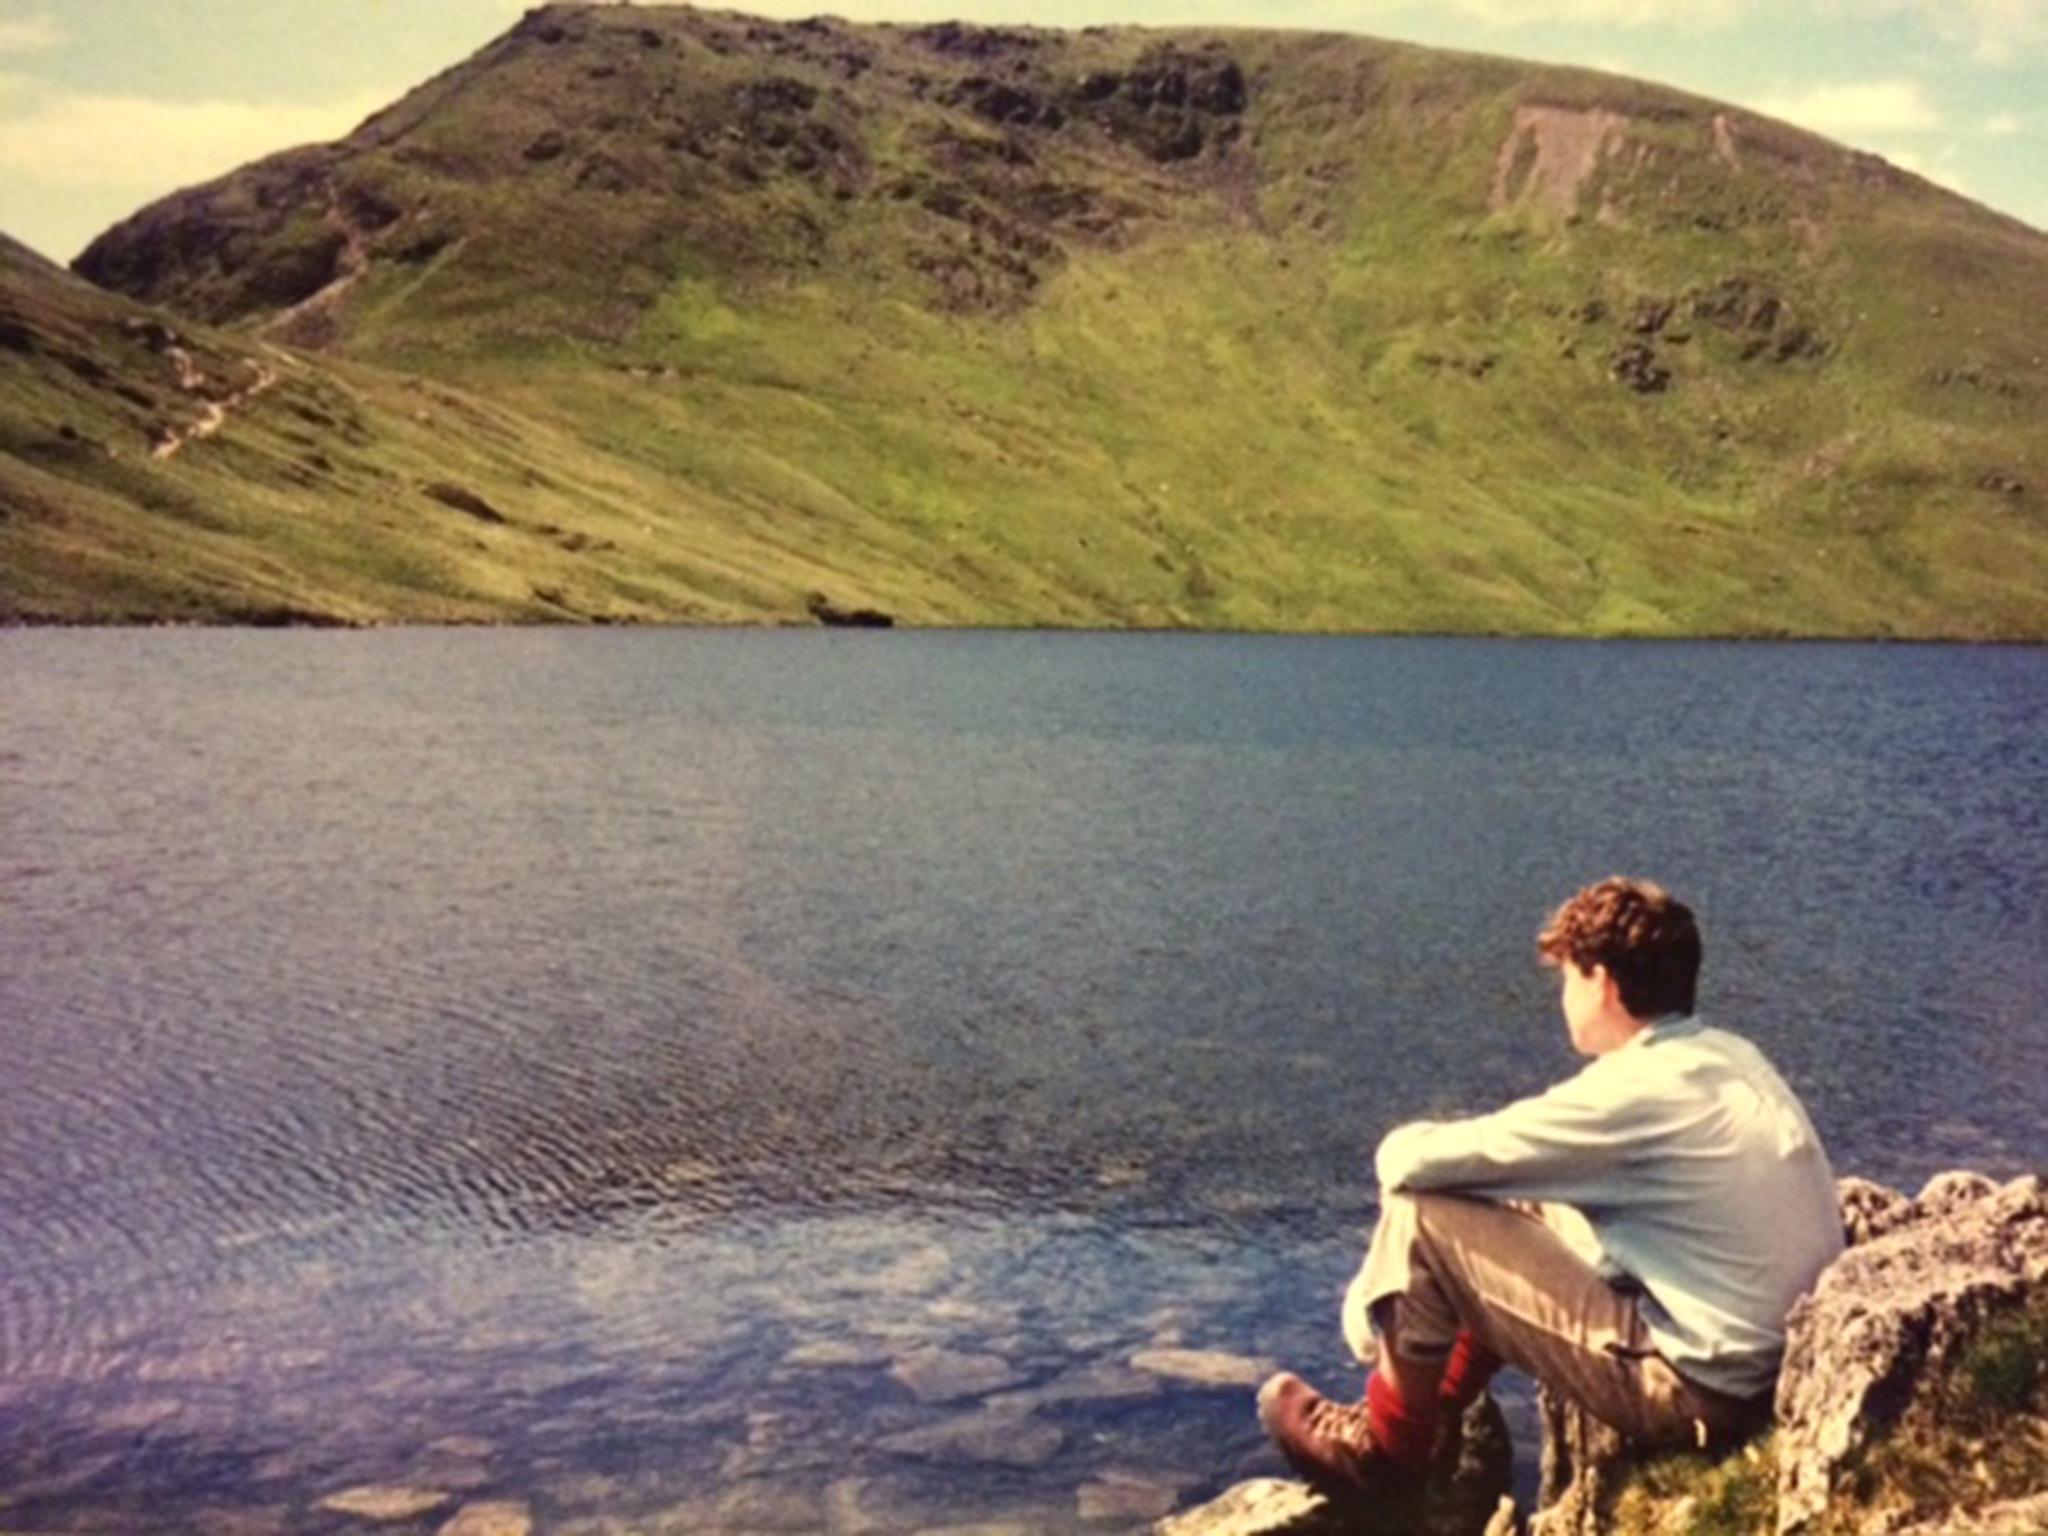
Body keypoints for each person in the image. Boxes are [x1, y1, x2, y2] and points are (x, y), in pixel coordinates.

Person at [1257, 877, 1843, 1522]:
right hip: (1770, 1361)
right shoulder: (1727, 1054)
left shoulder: (1635, 1091)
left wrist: (1366, 1305)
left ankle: (1386, 1458)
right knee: (1525, 1202)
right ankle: (1438, 1414)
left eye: (1568, 978)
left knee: (1424, 1214)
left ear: (1603, 982)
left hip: (1700, 1390)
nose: (1563, 998)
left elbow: (1412, 1162)